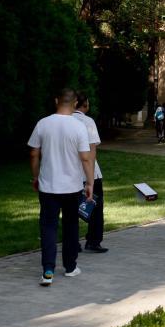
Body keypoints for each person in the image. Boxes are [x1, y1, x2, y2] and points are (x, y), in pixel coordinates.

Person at [28, 88, 95, 286]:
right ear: (75, 104)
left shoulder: (43, 123)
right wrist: (89, 182)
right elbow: (86, 158)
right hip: (72, 186)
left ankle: (48, 270)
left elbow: (33, 153)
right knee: (71, 225)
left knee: (48, 226)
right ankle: (70, 266)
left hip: (48, 185)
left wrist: (35, 176)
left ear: (56, 100)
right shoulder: (79, 126)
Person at [73, 95, 108, 253]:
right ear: (85, 105)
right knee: (96, 207)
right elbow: (92, 151)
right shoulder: (88, 122)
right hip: (89, 173)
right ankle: (93, 240)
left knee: (70, 209)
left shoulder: (65, 121)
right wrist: (90, 177)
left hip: (70, 173)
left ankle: (72, 241)